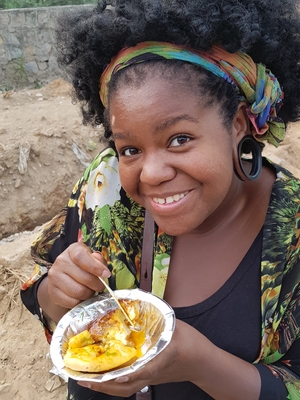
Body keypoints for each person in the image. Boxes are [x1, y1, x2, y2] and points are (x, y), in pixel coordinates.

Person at [20, 0, 300, 399]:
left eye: (179, 139)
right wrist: (53, 292)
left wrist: (199, 362)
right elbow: (42, 286)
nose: (150, 174)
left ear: (238, 124)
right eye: (130, 148)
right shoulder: (106, 185)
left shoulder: (293, 237)